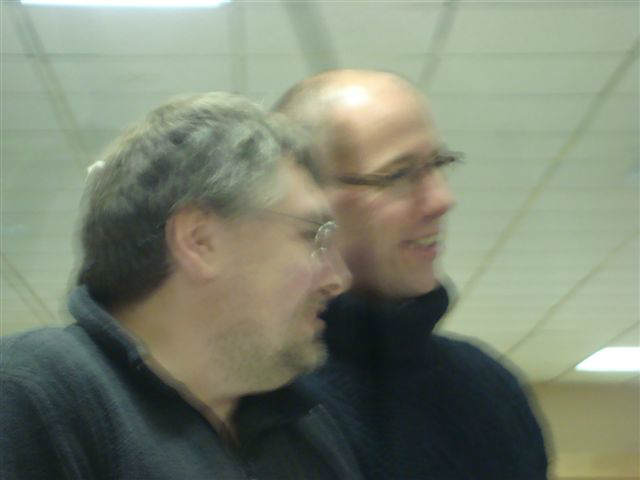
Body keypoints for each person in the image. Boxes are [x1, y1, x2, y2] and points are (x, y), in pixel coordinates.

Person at [0, 92, 362, 479]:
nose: (337, 279)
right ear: (199, 241)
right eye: (312, 236)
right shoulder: (36, 396)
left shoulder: (301, 427)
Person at [275, 70, 549, 479]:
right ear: (306, 200)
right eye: (400, 175)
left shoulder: (489, 388)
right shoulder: (255, 395)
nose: (442, 200)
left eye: (439, 164)